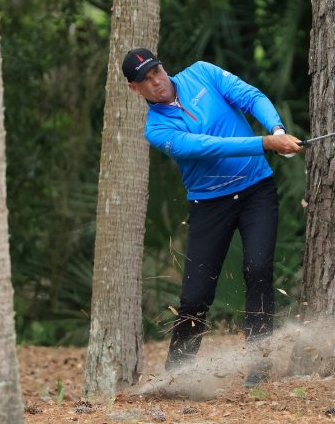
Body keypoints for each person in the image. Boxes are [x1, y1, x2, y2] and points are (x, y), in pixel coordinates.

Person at [122, 48, 302, 388]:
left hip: (256, 191)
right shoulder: (157, 129)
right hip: (209, 205)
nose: (156, 82)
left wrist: (276, 129)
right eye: (145, 80)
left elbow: (250, 97)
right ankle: (177, 377)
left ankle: (259, 366)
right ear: (135, 89)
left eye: (156, 71)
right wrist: (263, 142)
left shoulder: (203, 73)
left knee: (259, 269)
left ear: (162, 66)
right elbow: (206, 147)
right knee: (195, 296)